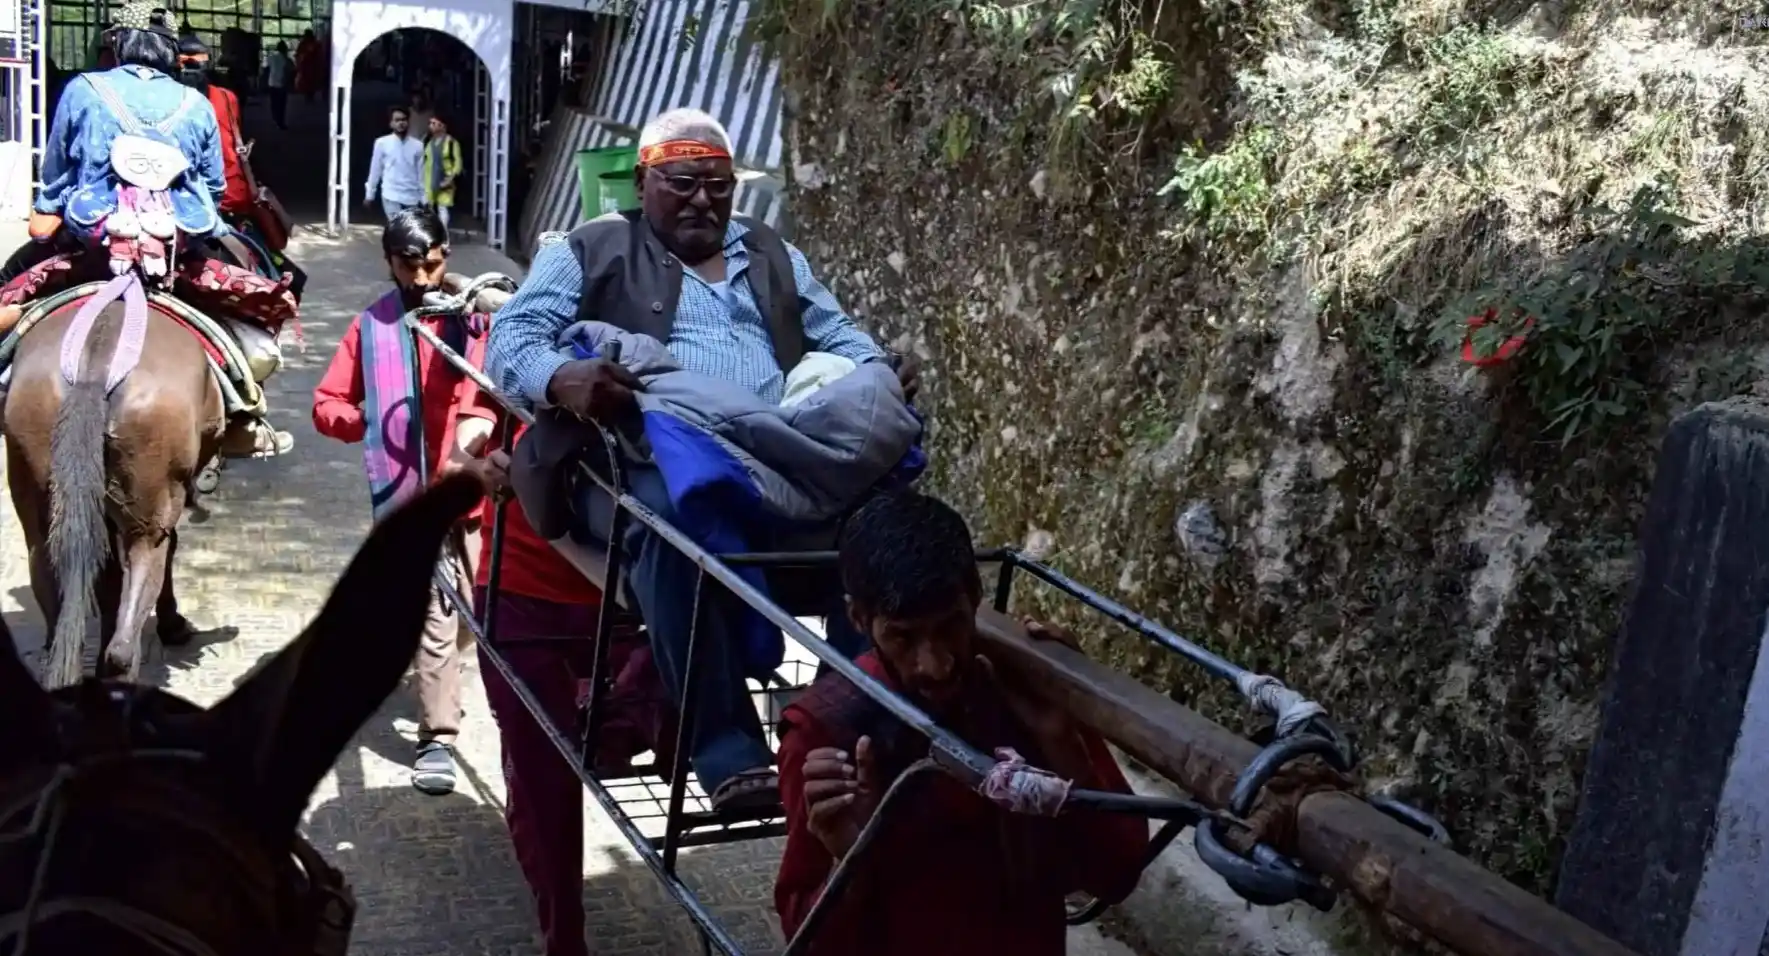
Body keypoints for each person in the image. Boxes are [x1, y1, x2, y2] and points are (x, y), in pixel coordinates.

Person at [485, 107, 923, 813]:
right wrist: (561, 378)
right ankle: (725, 746)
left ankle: (844, 723)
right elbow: (512, 338)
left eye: (717, 186)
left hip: (772, 447)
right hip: (636, 453)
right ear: (643, 182)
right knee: (666, 516)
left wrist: (876, 370)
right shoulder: (589, 247)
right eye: (683, 183)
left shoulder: (771, 253)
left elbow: (840, 335)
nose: (702, 200)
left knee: (881, 527)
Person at [773, 490, 1149, 954]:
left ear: (975, 597)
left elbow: (1118, 875)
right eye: (902, 638)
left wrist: (1062, 739)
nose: (935, 665)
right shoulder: (824, 733)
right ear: (857, 618)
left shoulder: (1023, 690)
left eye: (950, 626)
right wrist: (851, 860)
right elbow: (805, 944)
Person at [451, 357, 671, 956]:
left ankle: (606, 725)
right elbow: (463, 449)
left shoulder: (656, 351)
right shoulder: (519, 353)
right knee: (543, 780)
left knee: (665, 694)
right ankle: (563, 936)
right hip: (521, 596)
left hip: (625, 600)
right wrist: (479, 466)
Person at [311, 207, 482, 795]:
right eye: (409, 267)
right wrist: (368, 419)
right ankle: (438, 737)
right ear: (388, 262)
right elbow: (326, 403)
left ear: (445, 257)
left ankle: (437, 669)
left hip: (481, 491)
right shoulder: (371, 327)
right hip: (410, 496)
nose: (422, 279)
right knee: (436, 610)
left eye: (431, 265)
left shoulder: (477, 319)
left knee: (475, 612)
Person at [365, 106, 425, 222]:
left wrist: (424, 198)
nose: (401, 123)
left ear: (408, 122)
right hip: (391, 194)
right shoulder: (382, 143)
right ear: (391, 123)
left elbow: (421, 174)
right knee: (398, 226)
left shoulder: (418, 145)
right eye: (397, 120)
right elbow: (375, 170)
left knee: (410, 228)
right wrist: (369, 195)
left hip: (411, 196)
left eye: (404, 119)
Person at [422, 115, 463, 230]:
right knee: (427, 207)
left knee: (443, 208)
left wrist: (450, 179)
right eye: (430, 123)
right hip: (429, 179)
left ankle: (442, 234)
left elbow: (458, 164)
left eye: (434, 123)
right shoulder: (428, 141)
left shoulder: (452, 143)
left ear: (443, 126)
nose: (431, 126)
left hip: (445, 180)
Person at [263, 40, 292, 129]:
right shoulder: (285, 58)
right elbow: (288, 70)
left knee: (274, 103)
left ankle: (275, 119)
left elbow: (266, 67)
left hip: (272, 83)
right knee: (281, 104)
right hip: (281, 84)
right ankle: (280, 122)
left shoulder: (271, 56)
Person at [294, 28, 321, 104]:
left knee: (308, 82)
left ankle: (309, 96)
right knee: (310, 82)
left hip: (308, 67)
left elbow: (298, 55)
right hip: (310, 67)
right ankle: (309, 96)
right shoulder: (315, 43)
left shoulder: (305, 44)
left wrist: (298, 63)